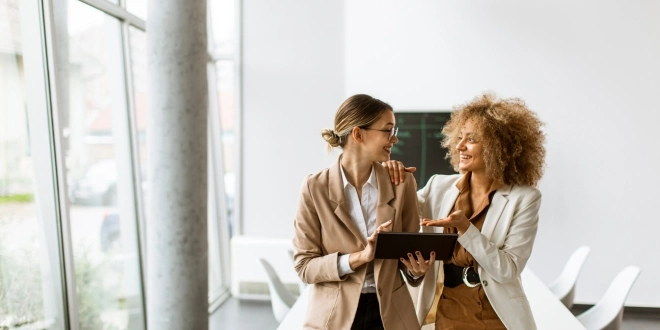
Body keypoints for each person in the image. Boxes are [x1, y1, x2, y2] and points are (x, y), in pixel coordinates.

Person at [383, 93, 546, 329]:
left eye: (472, 139)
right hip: (448, 309)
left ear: (498, 146)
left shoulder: (524, 199)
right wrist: (388, 175)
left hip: (497, 316)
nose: (460, 146)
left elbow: (507, 270)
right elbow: (397, 213)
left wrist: (465, 229)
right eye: (459, 137)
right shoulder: (439, 186)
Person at [293, 94, 435, 330]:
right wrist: (360, 257)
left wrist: (416, 271)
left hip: (391, 315)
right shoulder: (314, 188)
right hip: (334, 318)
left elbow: (407, 255)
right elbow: (305, 267)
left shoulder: (402, 183)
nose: (395, 138)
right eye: (387, 131)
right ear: (358, 134)